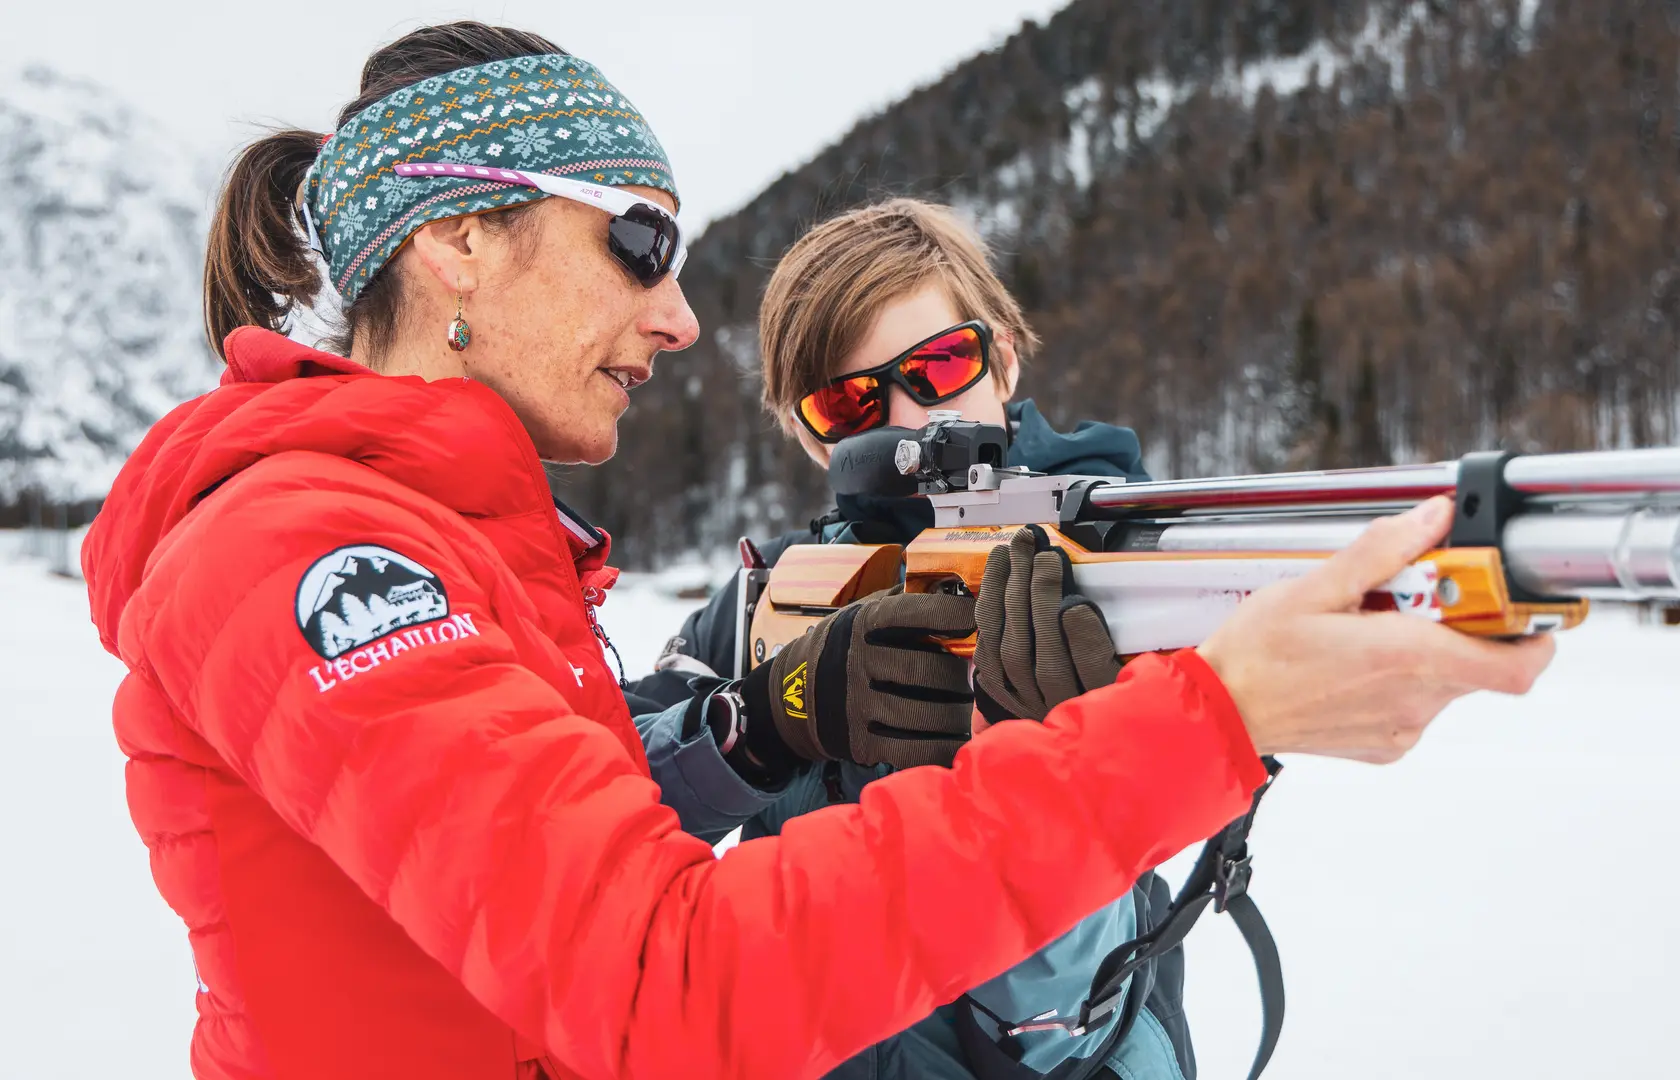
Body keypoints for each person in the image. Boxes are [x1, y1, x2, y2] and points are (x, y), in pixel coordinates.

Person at [78, 22, 1556, 1080]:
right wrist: (770, 719)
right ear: (459, 241)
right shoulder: (329, 554)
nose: (676, 319)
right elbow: (668, 980)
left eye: (945, 365)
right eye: (642, 246)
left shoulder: (468, 546)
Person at [624, 198, 1194, 1079]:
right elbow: (599, 813)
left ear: (1001, 354)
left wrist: (1037, 784)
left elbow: (1060, 1032)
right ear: (805, 434)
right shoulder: (762, 602)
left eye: (939, 364)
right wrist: (763, 723)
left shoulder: (1121, 579)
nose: (906, 417)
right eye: (849, 401)